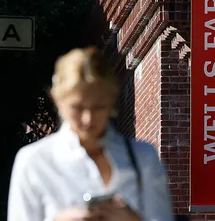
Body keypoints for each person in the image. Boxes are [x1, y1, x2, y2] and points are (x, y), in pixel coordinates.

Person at [8, 47, 174, 221]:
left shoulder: (143, 157)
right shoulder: (34, 161)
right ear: (58, 100)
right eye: (77, 108)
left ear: (111, 101)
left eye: (99, 107)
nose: (88, 119)